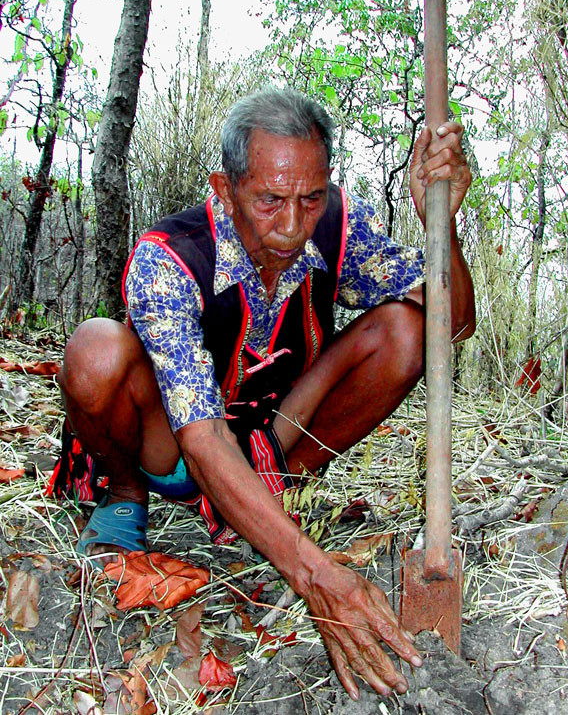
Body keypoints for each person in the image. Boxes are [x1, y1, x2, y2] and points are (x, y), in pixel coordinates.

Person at [58, 88, 475, 700]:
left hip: (271, 441)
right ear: (224, 191)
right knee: (95, 351)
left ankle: (273, 496)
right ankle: (123, 501)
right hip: (170, 448)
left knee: (407, 331)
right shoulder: (168, 258)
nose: (289, 226)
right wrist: (315, 573)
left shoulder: (334, 227)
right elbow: (200, 440)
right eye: (269, 201)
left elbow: (453, 325)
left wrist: (443, 223)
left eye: (310, 199)